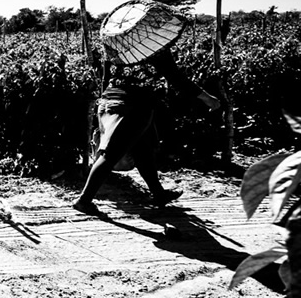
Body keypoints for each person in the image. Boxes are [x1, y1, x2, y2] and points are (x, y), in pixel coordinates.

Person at [73, 47, 220, 216]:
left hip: (109, 101)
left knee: (142, 150)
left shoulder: (115, 46)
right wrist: (208, 99)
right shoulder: (154, 48)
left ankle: (158, 194)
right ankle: (83, 201)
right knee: (112, 153)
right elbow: (177, 78)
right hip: (135, 105)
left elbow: (106, 78)